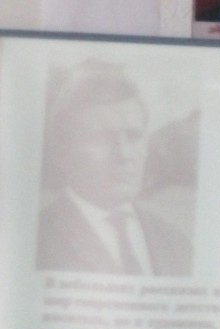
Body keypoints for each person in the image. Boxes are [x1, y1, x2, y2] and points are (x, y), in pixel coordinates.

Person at [36, 62, 193, 277]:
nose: (124, 154)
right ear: (62, 152)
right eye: (101, 138)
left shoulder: (175, 239)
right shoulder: (38, 239)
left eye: (134, 136)